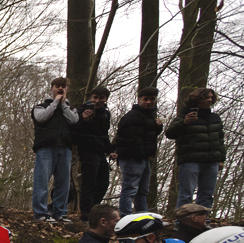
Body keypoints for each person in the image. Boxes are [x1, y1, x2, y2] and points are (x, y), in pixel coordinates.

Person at [167, 87, 225, 209]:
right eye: (206, 97)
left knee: (207, 195)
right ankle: (182, 223)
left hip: (211, 161)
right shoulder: (184, 116)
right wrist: (184, 122)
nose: (209, 100)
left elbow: (220, 139)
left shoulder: (215, 118)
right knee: (186, 194)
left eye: (211, 97)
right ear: (197, 99)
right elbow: (170, 133)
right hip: (190, 160)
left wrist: (221, 159)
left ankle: (202, 223)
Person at [31, 77, 79, 222]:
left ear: (67, 89)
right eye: (57, 86)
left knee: (63, 183)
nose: (60, 89)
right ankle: (40, 213)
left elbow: (74, 120)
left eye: (63, 86)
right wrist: (55, 103)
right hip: (45, 148)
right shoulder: (41, 106)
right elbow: (40, 118)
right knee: (42, 182)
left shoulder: (70, 109)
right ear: (51, 88)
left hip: (65, 148)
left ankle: (60, 213)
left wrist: (63, 105)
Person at [110, 86, 164, 214]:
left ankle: (142, 217)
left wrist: (158, 128)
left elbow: (148, 136)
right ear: (139, 99)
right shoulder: (133, 116)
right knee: (129, 190)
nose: (149, 102)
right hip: (132, 158)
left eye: (152, 99)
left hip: (143, 158)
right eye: (146, 99)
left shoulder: (148, 116)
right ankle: (125, 217)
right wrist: (140, 155)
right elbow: (131, 139)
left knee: (142, 192)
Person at [73, 86, 114, 221]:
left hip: (100, 151)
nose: (97, 101)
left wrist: (111, 150)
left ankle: (94, 210)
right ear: (90, 97)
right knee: (88, 183)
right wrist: (83, 120)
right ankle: (86, 215)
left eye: (100, 98)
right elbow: (75, 132)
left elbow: (104, 134)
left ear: (106, 99)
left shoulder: (105, 113)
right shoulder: (81, 111)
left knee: (103, 182)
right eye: (94, 97)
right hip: (87, 151)